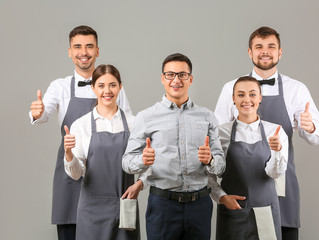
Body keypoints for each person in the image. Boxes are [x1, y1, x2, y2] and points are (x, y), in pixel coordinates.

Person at [214, 26, 319, 240]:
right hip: (242, 186)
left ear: (280, 52)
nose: (265, 51)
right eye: (259, 47)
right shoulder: (231, 88)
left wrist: (309, 126)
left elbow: (316, 137)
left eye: (271, 46)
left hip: (282, 182)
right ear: (250, 52)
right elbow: (217, 136)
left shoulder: (296, 89)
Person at [29, 25, 132, 240]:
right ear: (69, 51)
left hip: (109, 181)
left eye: (89, 46)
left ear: (97, 51)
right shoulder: (60, 87)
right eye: (77, 46)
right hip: (71, 172)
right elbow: (45, 112)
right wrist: (37, 113)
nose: (83, 52)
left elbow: (130, 130)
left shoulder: (111, 86)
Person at [122, 53, 225, 240]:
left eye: (182, 75)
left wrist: (210, 160)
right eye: (170, 75)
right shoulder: (146, 117)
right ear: (162, 78)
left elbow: (221, 165)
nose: (176, 80)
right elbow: (127, 162)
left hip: (199, 206)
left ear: (190, 79)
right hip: (162, 206)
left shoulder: (207, 116)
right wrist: (142, 161)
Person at [63, 64, 141, 240]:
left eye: (112, 85)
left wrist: (140, 183)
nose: (107, 90)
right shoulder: (81, 125)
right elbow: (76, 175)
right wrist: (68, 153)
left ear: (120, 87)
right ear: (93, 88)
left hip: (124, 205)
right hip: (92, 209)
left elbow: (146, 164)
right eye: (101, 85)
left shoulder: (134, 123)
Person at [209, 76, 288, 240]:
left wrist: (277, 151)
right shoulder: (220, 133)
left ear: (260, 98)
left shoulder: (276, 132)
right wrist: (222, 197)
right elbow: (207, 176)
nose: (247, 100)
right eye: (240, 94)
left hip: (266, 210)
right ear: (233, 98)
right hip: (233, 212)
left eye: (252, 94)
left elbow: (274, 174)